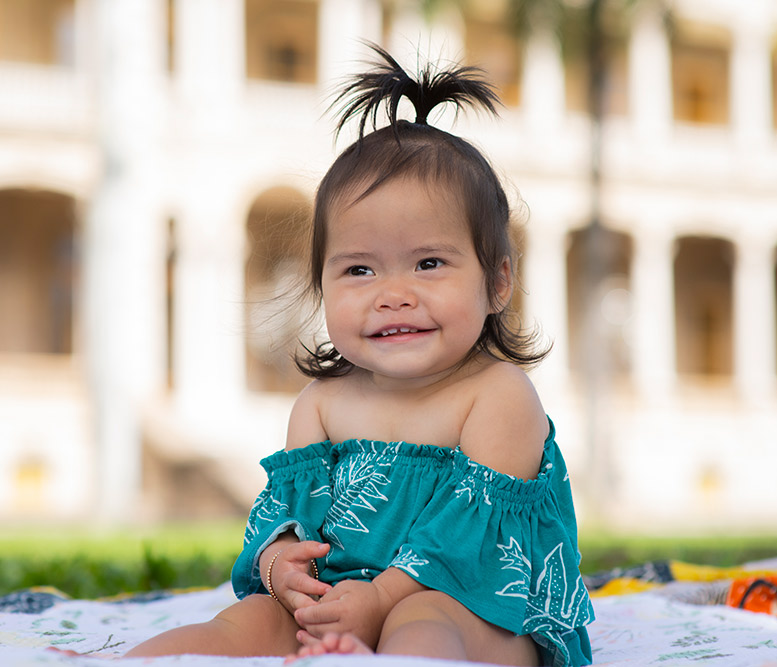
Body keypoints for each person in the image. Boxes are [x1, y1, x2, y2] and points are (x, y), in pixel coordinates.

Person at [126, 44, 594, 667]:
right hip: (343, 605)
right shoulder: (320, 406)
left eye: (429, 263)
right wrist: (279, 566)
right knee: (245, 622)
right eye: (359, 269)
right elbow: (281, 521)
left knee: (423, 623)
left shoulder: (498, 395)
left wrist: (379, 602)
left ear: (498, 282)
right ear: (322, 285)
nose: (392, 295)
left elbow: (467, 545)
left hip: (478, 609)